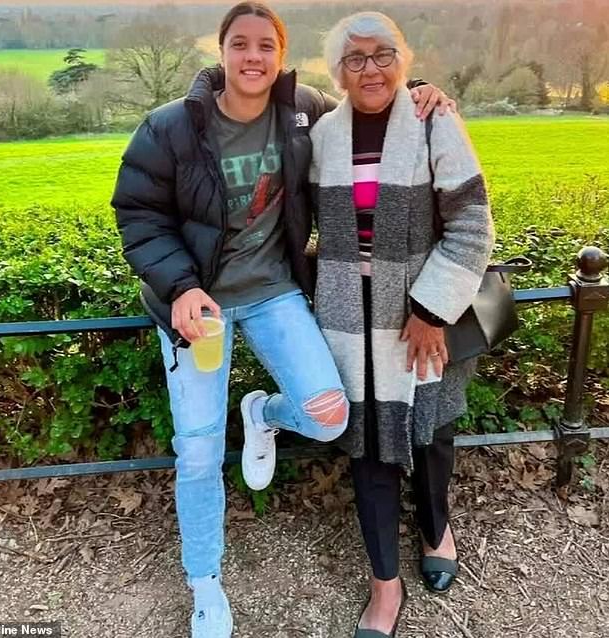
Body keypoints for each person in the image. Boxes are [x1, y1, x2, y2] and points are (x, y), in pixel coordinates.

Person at [112, 3, 453, 636]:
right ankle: (206, 586)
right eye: (240, 44)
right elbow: (138, 213)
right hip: (198, 311)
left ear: (280, 55)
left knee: (331, 417)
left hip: (273, 293)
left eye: (265, 45)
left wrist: (418, 91)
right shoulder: (170, 128)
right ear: (220, 52)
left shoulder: (303, 114)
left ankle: (264, 413)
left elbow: (370, 92)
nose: (252, 57)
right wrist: (181, 287)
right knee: (197, 451)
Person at [309, 11, 495, 638]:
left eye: (383, 54)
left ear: (404, 60)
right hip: (345, 320)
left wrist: (429, 311)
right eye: (355, 58)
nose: (371, 68)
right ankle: (384, 586)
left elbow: (472, 225)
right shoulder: (323, 133)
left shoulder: (431, 117)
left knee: (430, 433)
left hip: (421, 315)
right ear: (337, 71)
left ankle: (435, 525)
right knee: (367, 449)